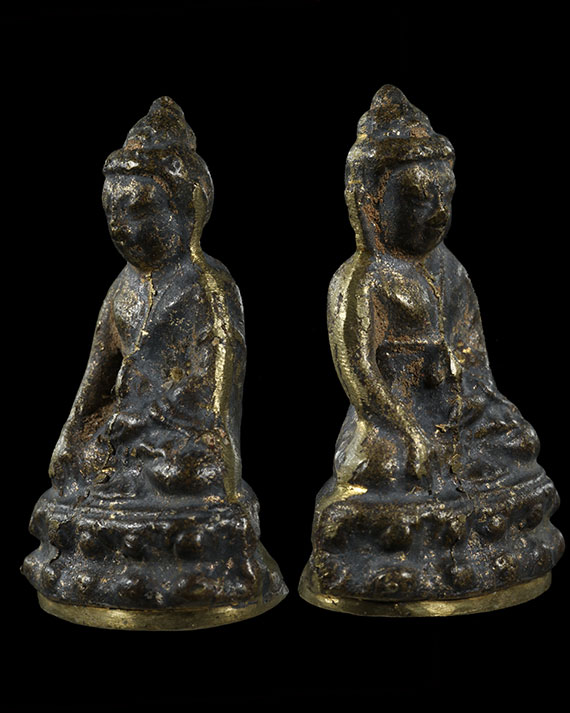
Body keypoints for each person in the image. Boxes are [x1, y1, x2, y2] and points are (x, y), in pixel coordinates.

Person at [300, 86, 563, 611]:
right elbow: (359, 376)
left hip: (457, 410)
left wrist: (470, 395)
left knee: (518, 441)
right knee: (379, 469)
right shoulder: (361, 280)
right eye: (420, 199)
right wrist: (409, 430)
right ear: (372, 203)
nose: (439, 212)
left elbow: (475, 356)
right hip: (392, 421)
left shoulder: (450, 270)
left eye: (446, 197)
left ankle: (453, 531)